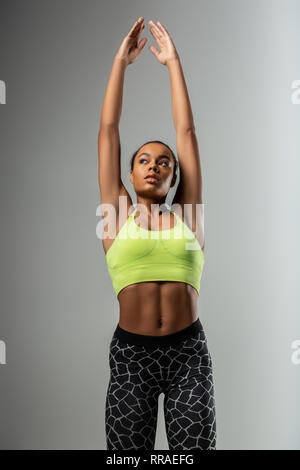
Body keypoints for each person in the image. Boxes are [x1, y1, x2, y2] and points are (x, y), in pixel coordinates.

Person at [98, 17, 216, 450]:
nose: (153, 165)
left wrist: (173, 63)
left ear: (173, 176)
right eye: (144, 160)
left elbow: (186, 132)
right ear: (129, 174)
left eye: (163, 162)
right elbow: (108, 132)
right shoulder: (115, 216)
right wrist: (119, 64)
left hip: (189, 355)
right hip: (132, 357)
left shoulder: (188, 214)